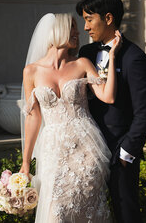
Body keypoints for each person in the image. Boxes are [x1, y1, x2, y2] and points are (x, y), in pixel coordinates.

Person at [18, 13, 121, 222]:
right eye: (72, 28)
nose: (78, 32)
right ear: (57, 32)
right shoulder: (31, 71)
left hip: (86, 148)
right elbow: (33, 118)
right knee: (55, 211)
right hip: (53, 150)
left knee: (88, 209)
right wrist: (26, 162)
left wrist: (112, 57)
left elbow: (108, 96)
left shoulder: (82, 64)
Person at [77, 0, 146, 223]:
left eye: (89, 20)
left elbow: (145, 113)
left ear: (108, 19)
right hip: (88, 151)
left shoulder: (135, 58)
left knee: (126, 213)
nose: (85, 28)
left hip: (118, 152)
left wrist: (126, 152)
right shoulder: (86, 53)